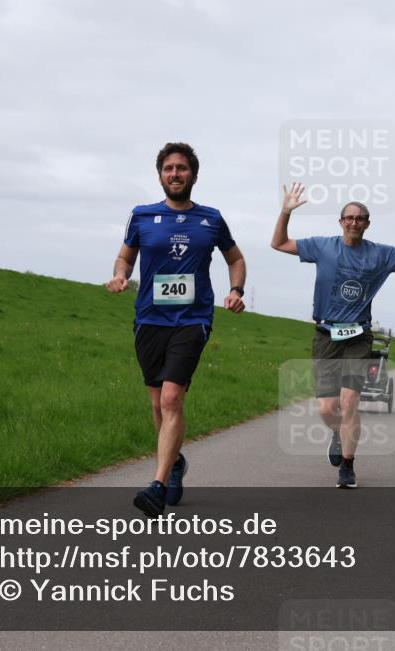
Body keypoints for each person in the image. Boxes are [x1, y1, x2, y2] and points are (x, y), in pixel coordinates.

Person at [106, 142, 247, 517]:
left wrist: (236, 290)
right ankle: (175, 462)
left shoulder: (211, 219)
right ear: (160, 175)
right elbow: (125, 257)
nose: (175, 174)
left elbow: (235, 258)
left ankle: (157, 485)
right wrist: (120, 275)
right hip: (149, 319)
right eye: (168, 168)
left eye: (181, 168)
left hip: (192, 319)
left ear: (193, 175)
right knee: (157, 402)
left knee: (171, 399)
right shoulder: (141, 215)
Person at [271, 182, 395, 488]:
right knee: (327, 409)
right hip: (326, 334)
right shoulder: (322, 247)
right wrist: (285, 211)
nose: (354, 222)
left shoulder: (380, 254)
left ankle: (347, 466)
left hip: (358, 336)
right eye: (349, 218)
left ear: (367, 224)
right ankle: (337, 432)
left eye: (360, 219)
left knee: (349, 402)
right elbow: (278, 243)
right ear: (341, 222)